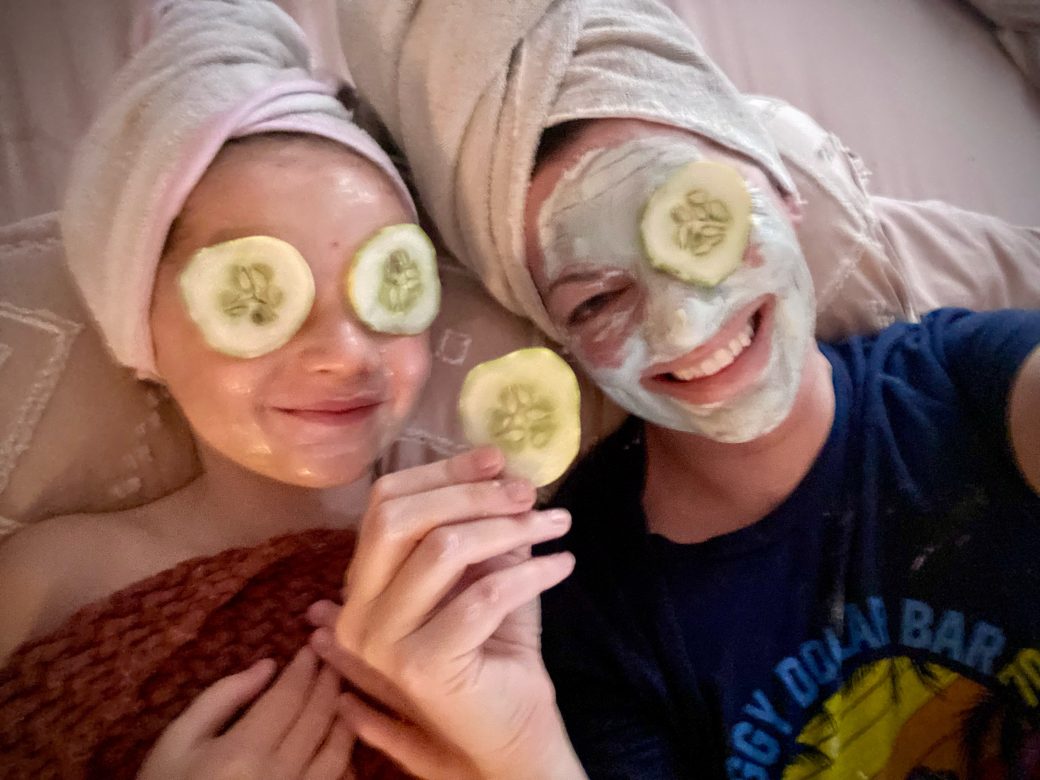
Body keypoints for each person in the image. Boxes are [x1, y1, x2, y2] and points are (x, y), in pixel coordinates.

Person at [301, 0, 1040, 777]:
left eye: (700, 222)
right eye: (595, 301)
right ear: (562, 342)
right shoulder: (589, 608)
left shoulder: (974, 384)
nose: (687, 326)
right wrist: (523, 754)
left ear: (783, 188)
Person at [0, 2, 574, 778]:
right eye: (257, 295)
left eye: (385, 283)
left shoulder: (496, 579)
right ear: (141, 320)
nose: (343, 354)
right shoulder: (45, 583)